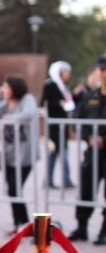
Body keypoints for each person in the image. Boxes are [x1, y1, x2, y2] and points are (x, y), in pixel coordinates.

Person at [0, 75, 40, 235]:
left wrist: (9, 119)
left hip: (25, 155)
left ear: (14, 88)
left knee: (16, 188)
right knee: (12, 190)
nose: (4, 90)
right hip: (9, 155)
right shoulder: (5, 104)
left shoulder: (26, 99)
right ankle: (20, 224)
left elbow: (30, 114)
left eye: (6, 87)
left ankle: (24, 225)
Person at [68, 55, 106, 245]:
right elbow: (80, 121)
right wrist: (89, 137)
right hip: (92, 153)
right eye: (102, 70)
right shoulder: (91, 96)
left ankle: (104, 231)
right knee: (86, 189)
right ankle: (81, 227)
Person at [41, 61, 76, 189]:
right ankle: (49, 180)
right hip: (54, 126)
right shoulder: (50, 85)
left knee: (63, 154)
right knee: (54, 153)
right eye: (67, 72)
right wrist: (58, 103)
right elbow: (44, 101)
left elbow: (70, 102)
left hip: (63, 125)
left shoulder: (64, 86)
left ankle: (65, 179)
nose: (69, 75)